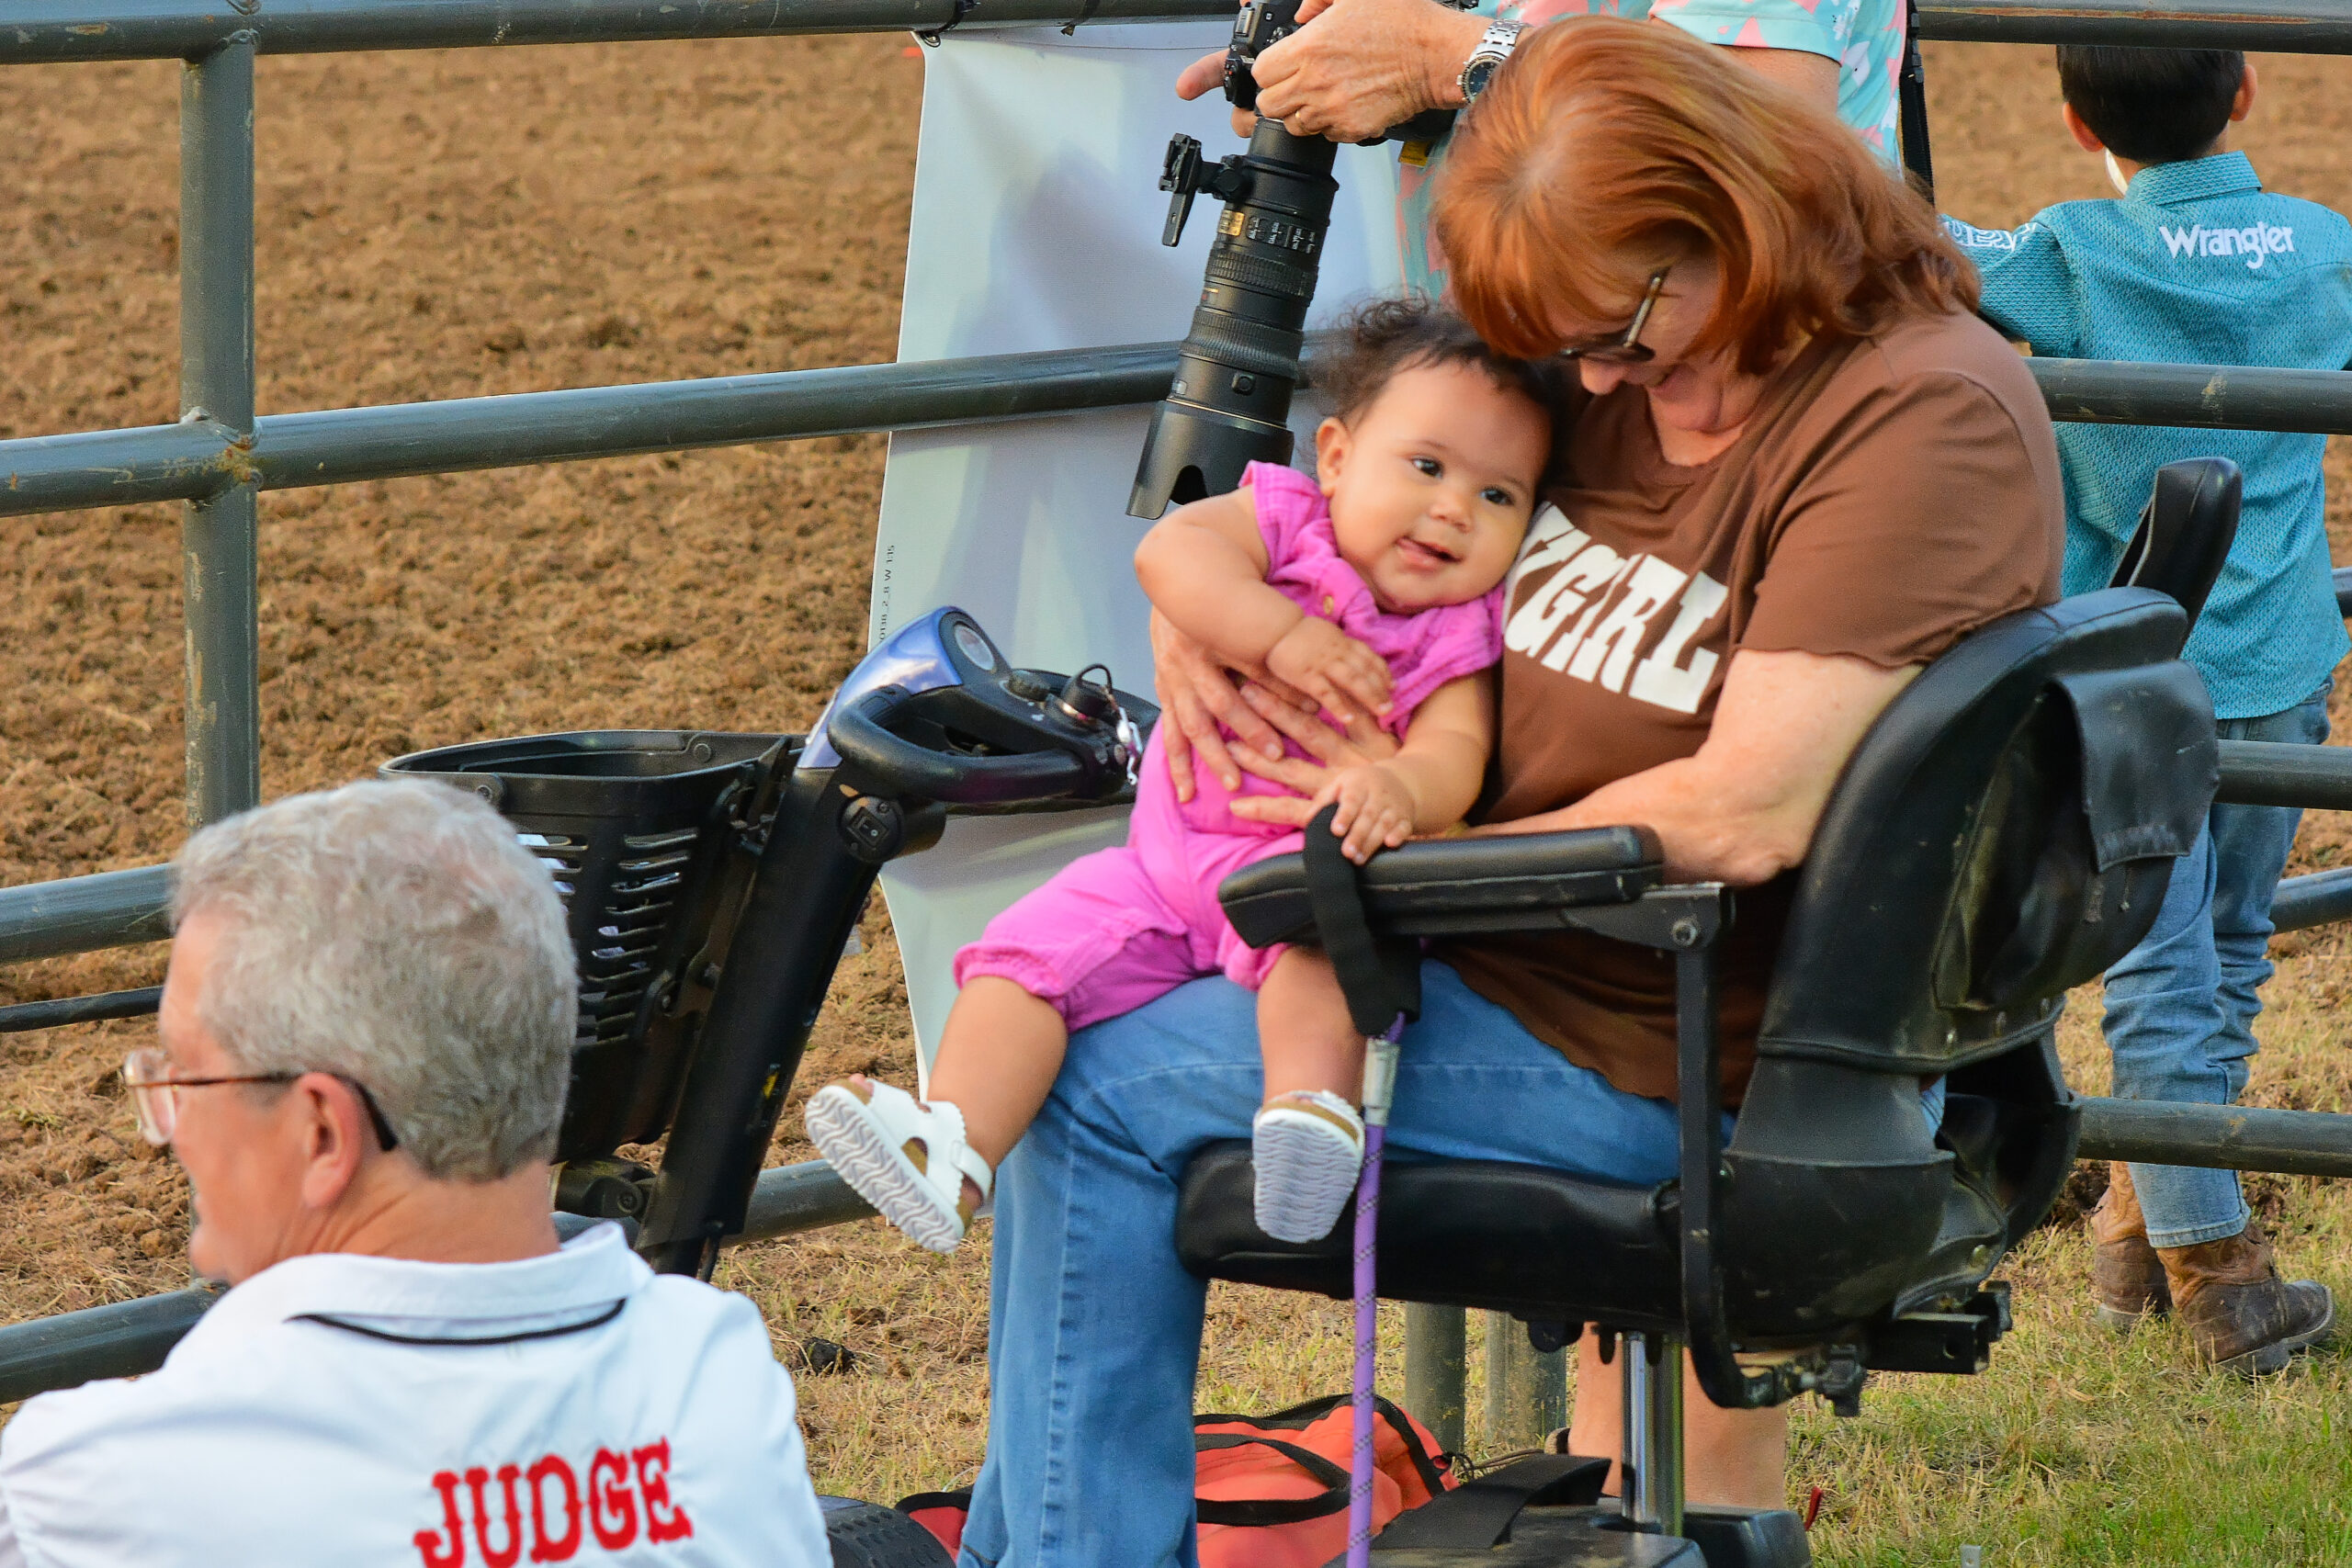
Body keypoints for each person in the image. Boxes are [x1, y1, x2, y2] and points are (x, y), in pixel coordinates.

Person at [954, 21, 2064, 1565]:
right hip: (1490, 977)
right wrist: (1205, 605)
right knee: (1085, 1026)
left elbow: (1744, 809)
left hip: (1669, 1057)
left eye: (1619, 331)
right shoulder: (1628, 358)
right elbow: (1352, 513)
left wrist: (1376, 865)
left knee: (1089, 1086)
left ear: (1733, 210)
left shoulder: (1915, 419)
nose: (1597, 378)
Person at [808, 300, 1556, 1252]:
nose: (1454, 508)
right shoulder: (1286, 522)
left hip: (1301, 879)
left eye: (1500, 496)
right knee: (1022, 958)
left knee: (1320, 971)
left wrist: (1403, 789)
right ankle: (954, 1143)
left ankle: (1307, 1123)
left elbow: (1457, 751)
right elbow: (1172, 551)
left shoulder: (1458, 633)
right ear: (1334, 457)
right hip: (1156, 872)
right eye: (1426, 466)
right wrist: (1278, 632)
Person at [0, 780, 831, 1568]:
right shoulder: (715, 1378)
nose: (167, 1131)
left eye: (185, 1079)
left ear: (322, 1130)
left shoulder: (99, 1488)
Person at [1941, 47, 2350, 1377]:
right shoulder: (2318, 245)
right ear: (2246, 93)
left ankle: (2192, 1264)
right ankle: (2180, 1250)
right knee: (2228, 954)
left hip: (2134, 679)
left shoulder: (2064, 255)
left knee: (2163, 968)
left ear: (2070, 119)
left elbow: (1907, 238)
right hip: (2282, 675)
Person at [1175, 0, 1910, 300]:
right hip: (1531, 407)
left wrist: (1439, 54)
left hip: (1722, 418)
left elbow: (1759, 129)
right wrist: (1339, 63)